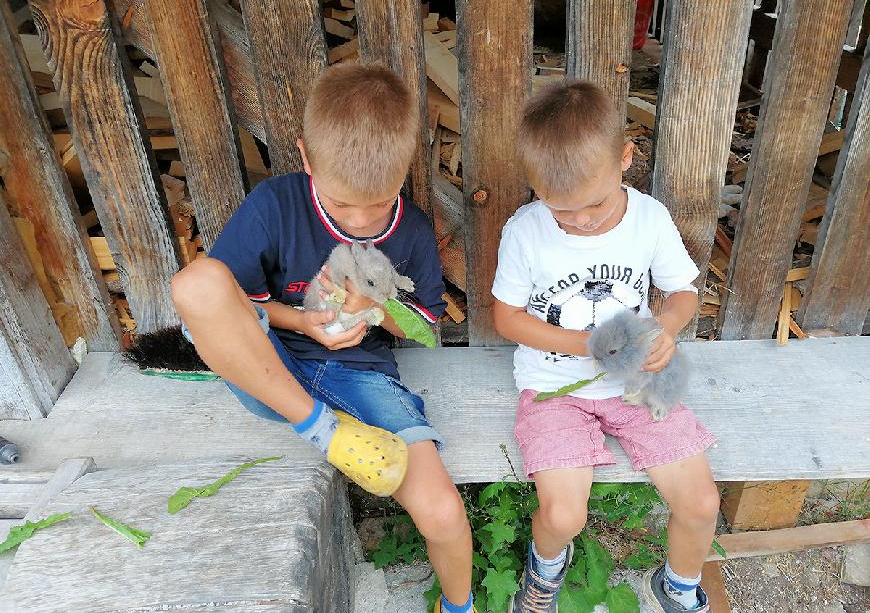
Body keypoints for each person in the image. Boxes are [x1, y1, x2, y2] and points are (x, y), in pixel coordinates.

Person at [172, 63, 474, 613]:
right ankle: (319, 427)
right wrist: (301, 321)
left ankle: (460, 605)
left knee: (444, 513)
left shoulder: (414, 230)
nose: (360, 221)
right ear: (306, 157)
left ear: (406, 166)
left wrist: (379, 309)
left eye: (379, 204)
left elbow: (428, 329)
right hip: (269, 367)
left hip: (361, 379)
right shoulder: (274, 205)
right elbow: (235, 299)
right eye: (341, 206)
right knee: (197, 281)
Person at [492, 80, 719, 613]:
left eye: (592, 204)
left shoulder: (648, 219)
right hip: (554, 387)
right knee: (564, 516)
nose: (580, 221)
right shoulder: (525, 232)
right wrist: (582, 346)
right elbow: (507, 318)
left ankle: (679, 585)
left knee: (701, 501)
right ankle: (547, 567)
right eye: (560, 210)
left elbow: (685, 291)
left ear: (625, 159)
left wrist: (665, 327)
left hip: (634, 382)